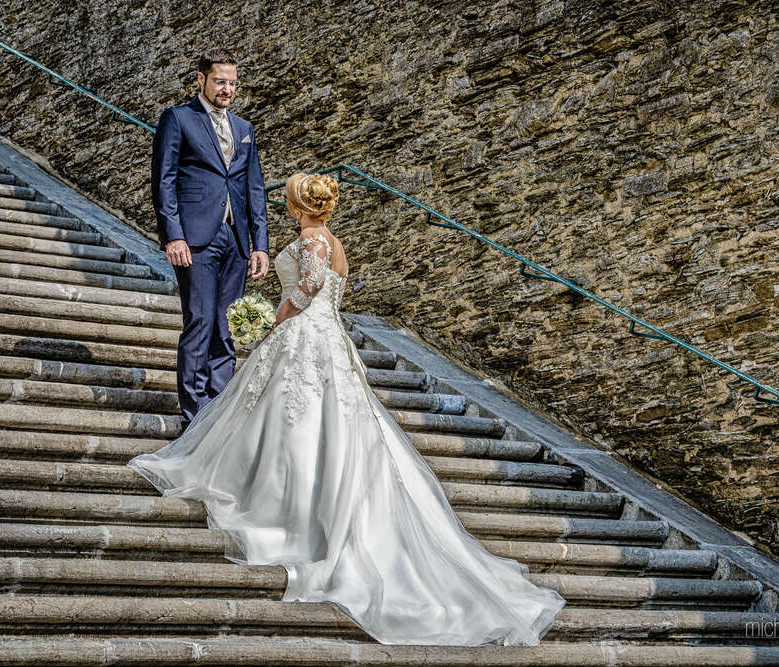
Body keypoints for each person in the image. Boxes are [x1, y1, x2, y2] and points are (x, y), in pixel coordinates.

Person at [128, 173, 564, 646]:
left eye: (290, 202)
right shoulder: (334, 240)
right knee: (319, 422)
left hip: (306, 335)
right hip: (328, 337)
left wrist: (274, 318)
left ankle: (289, 513)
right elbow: (334, 289)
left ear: (296, 207)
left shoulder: (313, 239)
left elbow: (311, 286)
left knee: (296, 421)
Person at [151, 48, 269, 428]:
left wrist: (259, 244)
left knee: (227, 325)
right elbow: (164, 180)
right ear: (200, 79)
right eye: (220, 81)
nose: (227, 89)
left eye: (233, 83)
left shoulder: (245, 129)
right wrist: (173, 236)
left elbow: (255, 189)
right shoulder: (178, 119)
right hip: (195, 239)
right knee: (199, 321)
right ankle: (194, 415)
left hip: (234, 240)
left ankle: (217, 411)